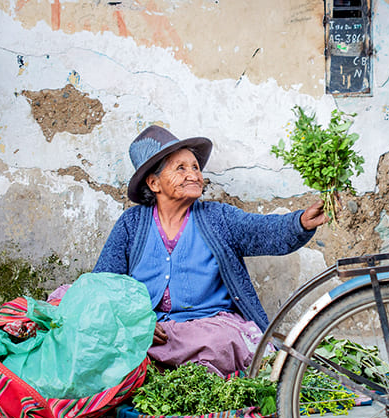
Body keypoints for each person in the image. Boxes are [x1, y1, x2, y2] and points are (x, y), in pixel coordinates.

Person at [93, 124, 327, 376]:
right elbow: (104, 284)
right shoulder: (132, 223)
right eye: (180, 168)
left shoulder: (217, 217)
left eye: (195, 167)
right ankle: (157, 367)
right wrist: (136, 323)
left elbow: (262, 231)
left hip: (207, 329)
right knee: (101, 336)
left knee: (220, 342)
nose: (194, 174)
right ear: (154, 183)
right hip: (150, 333)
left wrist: (300, 222)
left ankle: (167, 371)